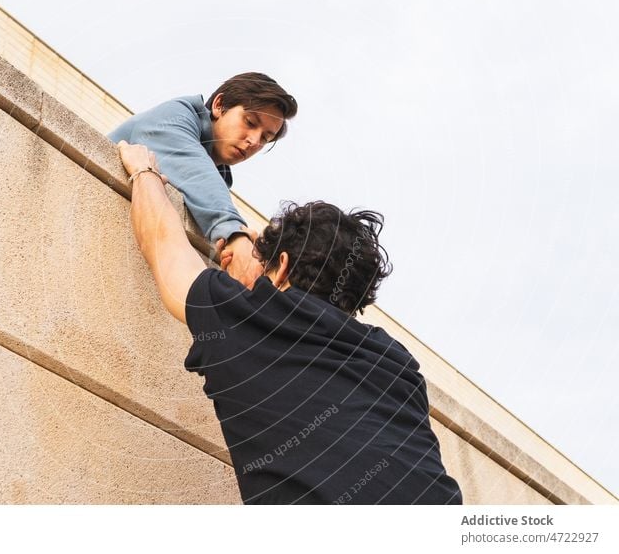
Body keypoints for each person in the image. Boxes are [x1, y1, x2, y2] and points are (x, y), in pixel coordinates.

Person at [116, 141, 463, 505]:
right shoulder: (398, 361)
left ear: (281, 266)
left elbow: (163, 244)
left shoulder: (255, 318)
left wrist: (144, 170)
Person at [108, 72, 297, 288]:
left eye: (265, 138)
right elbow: (194, 171)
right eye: (250, 122)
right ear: (219, 105)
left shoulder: (219, 181)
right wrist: (235, 235)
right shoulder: (175, 116)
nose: (254, 141)